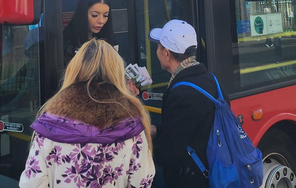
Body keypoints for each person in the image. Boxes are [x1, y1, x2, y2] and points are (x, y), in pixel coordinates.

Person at [20, 39, 155, 188]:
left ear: (74, 70)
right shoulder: (133, 124)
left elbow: (32, 183)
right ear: (117, 73)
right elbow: (142, 181)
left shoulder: (49, 123)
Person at [149, 19, 220, 188]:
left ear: (166, 53)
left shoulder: (181, 93)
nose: (156, 52)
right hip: (213, 172)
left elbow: (168, 153)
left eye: (158, 47)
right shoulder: (211, 79)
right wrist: (157, 130)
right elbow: (192, 129)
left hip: (191, 179)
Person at [63, 0, 116, 65]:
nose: (101, 21)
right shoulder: (69, 43)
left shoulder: (109, 37)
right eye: (95, 15)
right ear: (83, 14)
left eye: (105, 15)